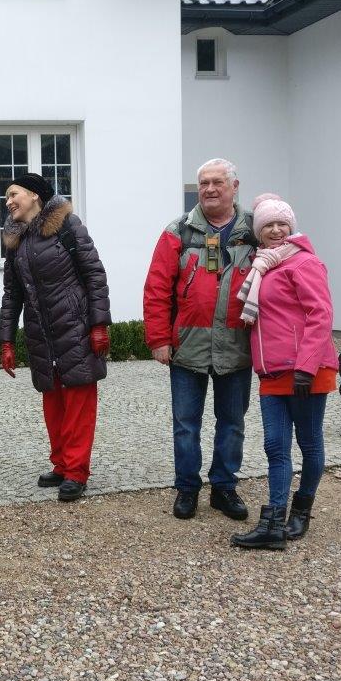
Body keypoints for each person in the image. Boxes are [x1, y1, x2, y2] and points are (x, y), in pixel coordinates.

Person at [143, 157, 257, 522]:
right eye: (203, 183)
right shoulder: (178, 230)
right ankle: (187, 488)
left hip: (237, 346)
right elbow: (157, 288)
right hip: (187, 346)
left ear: (234, 187)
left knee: (232, 423)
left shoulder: (256, 229)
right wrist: (159, 339)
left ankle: (224, 487)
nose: (209, 189)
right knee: (186, 424)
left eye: (217, 182)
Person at [231, 195, 338, 550]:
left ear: (291, 227)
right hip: (272, 372)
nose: (276, 230)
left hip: (306, 370)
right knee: (275, 445)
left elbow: (320, 315)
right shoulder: (263, 264)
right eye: (268, 225)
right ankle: (274, 523)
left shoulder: (304, 262)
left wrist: (306, 366)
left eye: (282, 224)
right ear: (259, 232)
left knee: (309, 442)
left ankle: (301, 511)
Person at [0, 174, 111, 502]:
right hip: (41, 335)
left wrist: (99, 324)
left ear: (34, 195)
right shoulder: (16, 240)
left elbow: (94, 275)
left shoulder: (68, 226)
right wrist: (7, 341)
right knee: (53, 402)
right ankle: (62, 465)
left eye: (13, 194)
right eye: (7, 197)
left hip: (75, 327)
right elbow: (12, 294)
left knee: (78, 401)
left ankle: (76, 472)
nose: (9, 201)